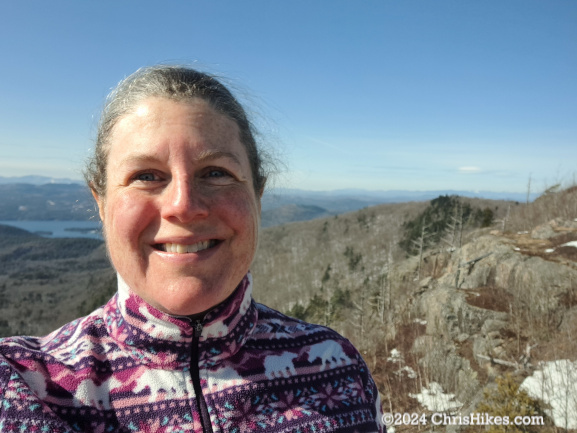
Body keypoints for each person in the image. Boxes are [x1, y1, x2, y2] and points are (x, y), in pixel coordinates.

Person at [0, 66, 385, 432]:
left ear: (257, 195)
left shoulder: (335, 365)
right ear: (100, 201)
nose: (183, 205)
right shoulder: (25, 386)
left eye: (216, 172)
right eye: (146, 176)